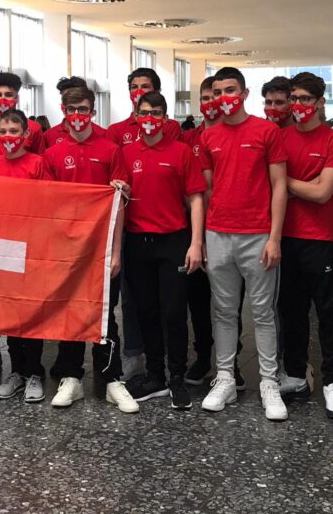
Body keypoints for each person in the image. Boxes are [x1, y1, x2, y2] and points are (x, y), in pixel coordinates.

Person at [42, 85, 138, 414]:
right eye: (72, 110)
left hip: (102, 247)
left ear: (93, 111)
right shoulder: (53, 153)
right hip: (68, 246)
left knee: (105, 313)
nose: (77, 115)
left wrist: (116, 252)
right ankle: (71, 377)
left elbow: (120, 203)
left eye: (83, 109)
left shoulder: (110, 149)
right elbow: (48, 205)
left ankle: (111, 378)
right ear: (63, 112)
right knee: (69, 311)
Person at [200, 67, 289, 421]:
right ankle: (225, 377)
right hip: (218, 234)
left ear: (244, 93)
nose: (224, 97)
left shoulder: (266, 131)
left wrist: (274, 237)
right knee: (223, 310)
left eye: (230, 90)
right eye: (218, 92)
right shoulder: (208, 136)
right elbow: (207, 189)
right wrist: (203, 235)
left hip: (258, 235)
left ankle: (269, 381)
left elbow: (279, 185)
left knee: (263, 312)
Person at [120, 92, 207, 410]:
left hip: (174, 242)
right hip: (138, 243)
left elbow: (196, 199)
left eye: (156, 113)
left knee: (173, 312)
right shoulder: (127, 153)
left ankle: (177, 378)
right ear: (136, 116)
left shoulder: (181, 152)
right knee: (146, 311)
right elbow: (119, 197)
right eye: (145, 113)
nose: (150, 119)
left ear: (166, 118)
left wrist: (196, 243)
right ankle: (155, 376)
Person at [277, 72, 333, 420]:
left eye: (305, 99)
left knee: (327, 313)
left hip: (321, 238)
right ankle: (295, 374)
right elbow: (281, 187)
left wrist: (284, 182)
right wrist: (303, 184)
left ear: (320, 102)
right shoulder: (280, 138)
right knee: (290, 312)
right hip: (285, 236)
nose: (298, 105)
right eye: (294, 98)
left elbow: (323, 193)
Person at [181, 76, 246, 391]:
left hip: (229, 229)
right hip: (196, 230)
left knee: (230, 301)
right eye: (205, 98)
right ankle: (204, 356)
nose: (211, 103)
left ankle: (232, 364)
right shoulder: (189, 139)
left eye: (215, 97)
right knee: (198, 299)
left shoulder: (234, 134)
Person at [0, 109, 53, 403]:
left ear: (26, 134)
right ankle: (16, 371)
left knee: (30, 312)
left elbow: (50, 201)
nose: (8, 137)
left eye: (14, 131)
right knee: (10, 312)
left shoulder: (37, 163)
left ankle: (35, 371)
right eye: (3, 131)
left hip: (31, 247)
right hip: (3, 247)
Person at [0, 72, 46, 156]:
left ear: (17, 98)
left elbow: (40, 159)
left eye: (8, 95)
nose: (2, 99)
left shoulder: (33, 128)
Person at [107, 67, 182, 147]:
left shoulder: (170, 126)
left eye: (145, 86)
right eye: (134, 87)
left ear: (157, 91)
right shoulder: (116, 130)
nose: (138, 92)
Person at [44, 76, 108, 146]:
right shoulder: (49, 136)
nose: (70, 102)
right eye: (65, 98)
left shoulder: (103, 134)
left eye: (75, 98)